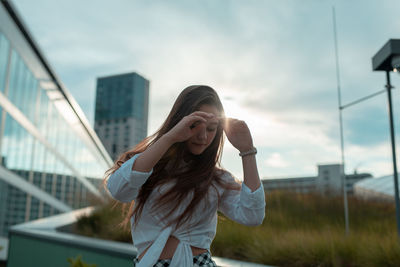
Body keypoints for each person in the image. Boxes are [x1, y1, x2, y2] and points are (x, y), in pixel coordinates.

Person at [105, 85, 266, 267]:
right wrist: (169, 138)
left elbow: (253, 216)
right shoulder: (146, 164)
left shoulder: (216, 178)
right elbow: (118, 191)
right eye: (194, 125)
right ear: (179, 121)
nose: (203, 136)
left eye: (212, 128)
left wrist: (247, 151)